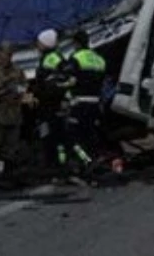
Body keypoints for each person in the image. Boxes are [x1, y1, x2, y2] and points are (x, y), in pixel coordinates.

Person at [63, 29, 106, 167]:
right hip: (96, 103)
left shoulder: (76, 57)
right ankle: (95, 160)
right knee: (91, 134)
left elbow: (70, 80)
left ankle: (84, 162)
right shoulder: (99, 58)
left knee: (73, 136)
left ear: (76, 43)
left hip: (79, 103)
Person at [0, 42, 26, 174]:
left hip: (13, 113)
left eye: (10, 54)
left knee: (10, 145)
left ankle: (8, 168)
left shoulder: (17, 70)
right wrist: (3, 87)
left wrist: (18, 92)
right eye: (5, 54)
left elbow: (23, 86)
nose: (7, 57)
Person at [30, 28, 70, 169]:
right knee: (52, 134)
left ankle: (54, 165)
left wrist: (41, 92)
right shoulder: (52, 58)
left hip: (51, 106)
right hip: (50, 104)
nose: (37, 45)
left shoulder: (51, 59)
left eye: (39, 42)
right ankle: (55, 163)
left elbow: (53, 81)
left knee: (51, 136)